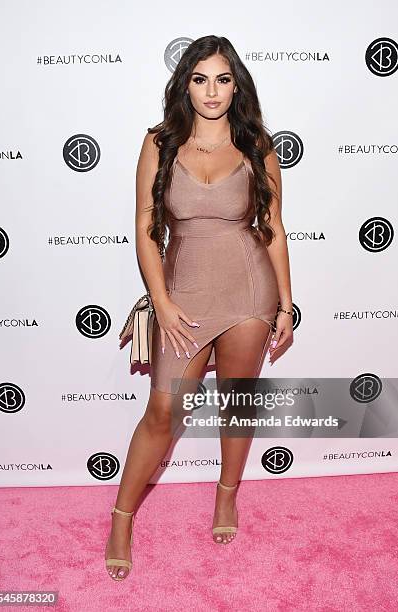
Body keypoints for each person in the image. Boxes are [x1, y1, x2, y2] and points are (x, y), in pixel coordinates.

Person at [105, 35, 293, 581]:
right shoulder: (160, 142)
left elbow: (274, 229)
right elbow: (145, 230)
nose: (212, 92)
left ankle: (227, 495)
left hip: (249, 291)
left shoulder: (257, 143)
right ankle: (121, 518)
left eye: (223, 79)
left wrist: (286, 304)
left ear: (237, 85)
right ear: (185, 83)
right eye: (200, 79)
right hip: (183, 293)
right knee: (163, 413)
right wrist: (161, 302)